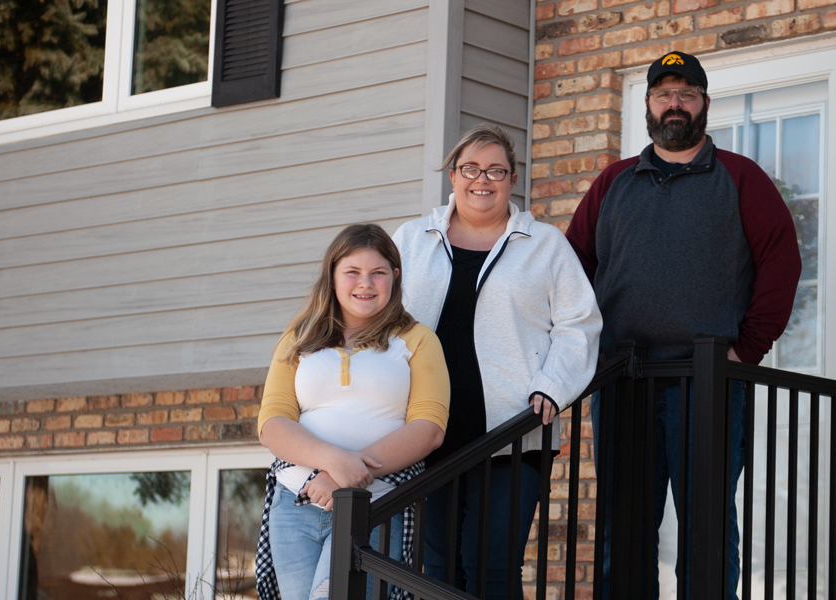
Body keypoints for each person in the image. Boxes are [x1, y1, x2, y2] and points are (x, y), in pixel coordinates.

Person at [565, 51, 802, 599]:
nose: (676, 104)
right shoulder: (613, 183)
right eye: (664, 94)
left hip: (709, 379)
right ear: (648, 105)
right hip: (623, 379)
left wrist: (747, 349)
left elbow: (781, 263)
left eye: (687, 94)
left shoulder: (742, 179)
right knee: (622, 528)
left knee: (708, 526)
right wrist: (586, 356)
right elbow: (572, 272)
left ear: (704, 105)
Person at [393, 124, 601, 600]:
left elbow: (580, 323)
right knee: (435, 571)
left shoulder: (544, 245)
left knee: (491, 571)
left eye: (496, 170)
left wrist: (553, 385)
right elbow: (376, 314)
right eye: (470, 168)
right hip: (424, 434)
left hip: (511, 434)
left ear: (512, 179)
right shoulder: (411, 239)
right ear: (452, 175)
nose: (481, 179)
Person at [254, 224, 450, 600]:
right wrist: (333, 464)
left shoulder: (418, 339)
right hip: (295, 501)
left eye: (378, 272)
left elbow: (429, 428)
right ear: (332, 276)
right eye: (353, 272)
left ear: (394, 276)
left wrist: (346, 476)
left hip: (375, 505)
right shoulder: (298, 337)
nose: (366, 283)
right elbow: (272, 422)